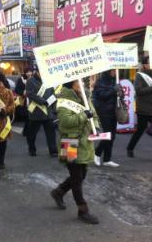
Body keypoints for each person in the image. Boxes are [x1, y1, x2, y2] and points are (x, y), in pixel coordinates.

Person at [50, 80, 100, 224]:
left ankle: (58, 192)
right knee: (77, 178)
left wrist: (95, 127)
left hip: (84, 141)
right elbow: (66, 122)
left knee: (81, 174)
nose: (82, 85)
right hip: (69, 143)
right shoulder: (63, 101)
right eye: (79, 83)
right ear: (72, 85)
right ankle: (83, 210)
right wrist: (85, 115)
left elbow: (94, 115)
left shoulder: (85, 97)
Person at [126, 56, 152, 162]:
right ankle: (130, 148)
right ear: (144, 65)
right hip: (143, 109)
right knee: (140, 130)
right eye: (149, 63)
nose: (151, 65)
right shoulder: (139, 75)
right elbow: (139, 90)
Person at [92, 70, 123, 167]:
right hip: (104, 111)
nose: (115, 72)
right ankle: (97, 153)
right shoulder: (100, 82)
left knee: (112, 136)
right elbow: (102, 95)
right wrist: (114, 90)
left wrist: (120, 93)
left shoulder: (115, 81)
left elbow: (120, 95)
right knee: (107, 135)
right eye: (113, 70)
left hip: (114, 111)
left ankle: (107, 159)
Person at [25, 67, 58, 157]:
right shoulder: (30, 81)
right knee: (32, 133)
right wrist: (42, 101)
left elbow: (52, 93)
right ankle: (32, 149)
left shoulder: (48, 80)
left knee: (51, 133)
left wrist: (54, 106)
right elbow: (30, 94)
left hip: (48, 112)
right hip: (36, 111)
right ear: (37, 72)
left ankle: (53, 150)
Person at [15, 67, 33, 136]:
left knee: (30, 116)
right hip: (24, 100)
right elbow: (17, 89)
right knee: (27, 116)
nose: (29, 73)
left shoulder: (33, 79)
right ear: (25, 72)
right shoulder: (21, 79)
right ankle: (27, 132)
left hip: (32, 100)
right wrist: (23, 93)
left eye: (30, 71)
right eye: (27, 72)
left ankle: (26, 132)